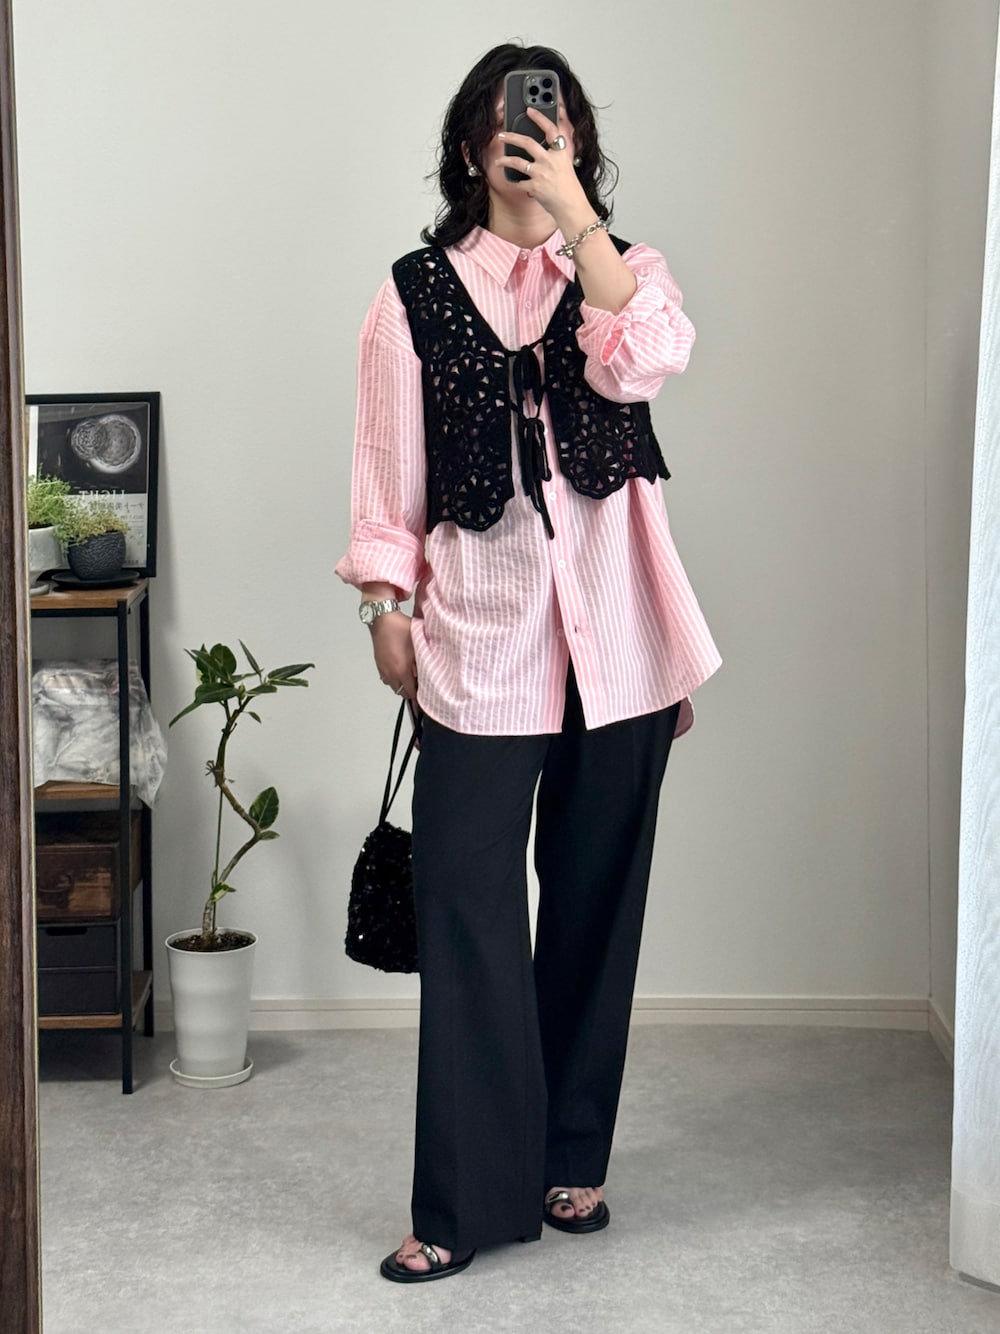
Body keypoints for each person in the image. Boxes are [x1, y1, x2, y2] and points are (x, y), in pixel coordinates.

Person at [336, 41, 721, 1283]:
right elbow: (385, 472)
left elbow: (646, 356)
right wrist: (385, 603)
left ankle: (569, 1155)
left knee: (595, 909)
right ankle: (461, 1197)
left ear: (577, 139)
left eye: (554, 122)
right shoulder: (410, 293)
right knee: (467, 911)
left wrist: (574, 215)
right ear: (470, 144)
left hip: (622, 645)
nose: (532, 135)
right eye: (510, 121)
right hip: (478, 640)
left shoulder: (622, 272)